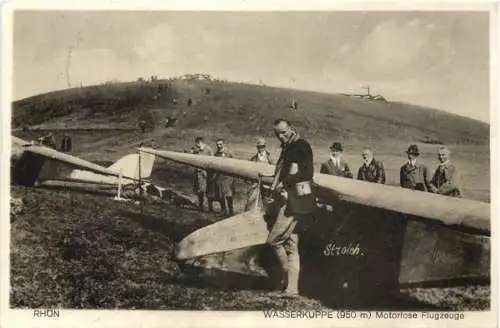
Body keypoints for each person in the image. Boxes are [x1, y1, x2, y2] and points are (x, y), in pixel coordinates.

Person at [262, 118, 316, 297]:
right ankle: (292, 289)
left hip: (293, 201)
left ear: (291, 129)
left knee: (274, 240)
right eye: (278, 134)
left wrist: (285, 183)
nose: (281, 136)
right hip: (293, 200)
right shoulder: (290, 146)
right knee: (291, 245)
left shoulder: (301, 146)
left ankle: (284, 282)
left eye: (284, 132)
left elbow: (307, 173)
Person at [212, 138, 235, 217]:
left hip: (227, 177)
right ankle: (224, 210)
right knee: (220, 195)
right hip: (219, 177)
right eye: (217, 144)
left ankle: (231, 211)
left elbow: (234, 164)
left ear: (223, 144)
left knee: (228, 194)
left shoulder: (228, 153)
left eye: (220, 144)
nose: (219, 146)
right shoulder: (216, 154)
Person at [191, 137, 214, 212]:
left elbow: (213, 160)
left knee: (207, 190)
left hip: (206, 173)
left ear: (200, 142)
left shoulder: (208, 149)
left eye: (198, 144)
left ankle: (210, 207)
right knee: (199, 190)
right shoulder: (196, 150)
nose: (197, 146)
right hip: (198, 172)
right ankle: (201, 207)